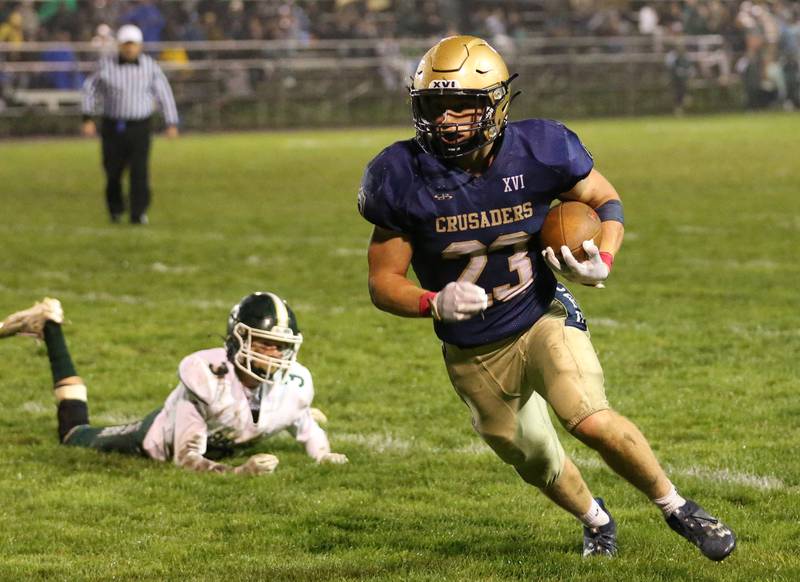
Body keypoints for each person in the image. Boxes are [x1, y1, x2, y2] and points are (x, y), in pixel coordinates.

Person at [359, 35, 735, 559]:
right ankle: (595, 518)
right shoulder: (399, 174)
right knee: (531, 456)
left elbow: (604, 199)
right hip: (472, 347)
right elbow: (383, 281)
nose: (444, 121)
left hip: (540, 314)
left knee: (587, 416)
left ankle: (677, 507)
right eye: (433, 107)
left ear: (495, 105)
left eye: (460, 106)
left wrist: (601, 258)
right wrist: (432, 302)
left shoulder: (541, 148)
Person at [0, 293, 349, 474]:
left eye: (281, 346)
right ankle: (49, 324)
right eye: (263, 344)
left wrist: (322, 453)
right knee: (74, 436)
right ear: (238, 340)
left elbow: (301, 421)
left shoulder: (295, 383)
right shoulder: (208, 377)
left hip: (220, 433)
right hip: (156, 437)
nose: (274, 354)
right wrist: (238, 473)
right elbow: (186, 459)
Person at [81, 24, 179, 225]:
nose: (129, 49)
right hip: (113, 125)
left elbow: (164, 93)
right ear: (119, 45)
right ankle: (115, 209)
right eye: (125, 44)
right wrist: (87, 117)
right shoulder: (105, 65)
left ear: (139, 46)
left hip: (140, 126)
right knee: (113, 171)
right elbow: (90, 89)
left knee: (139, 171)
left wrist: (171, 121)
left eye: (132, 45)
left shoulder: (150, 66)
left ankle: (138, 212)